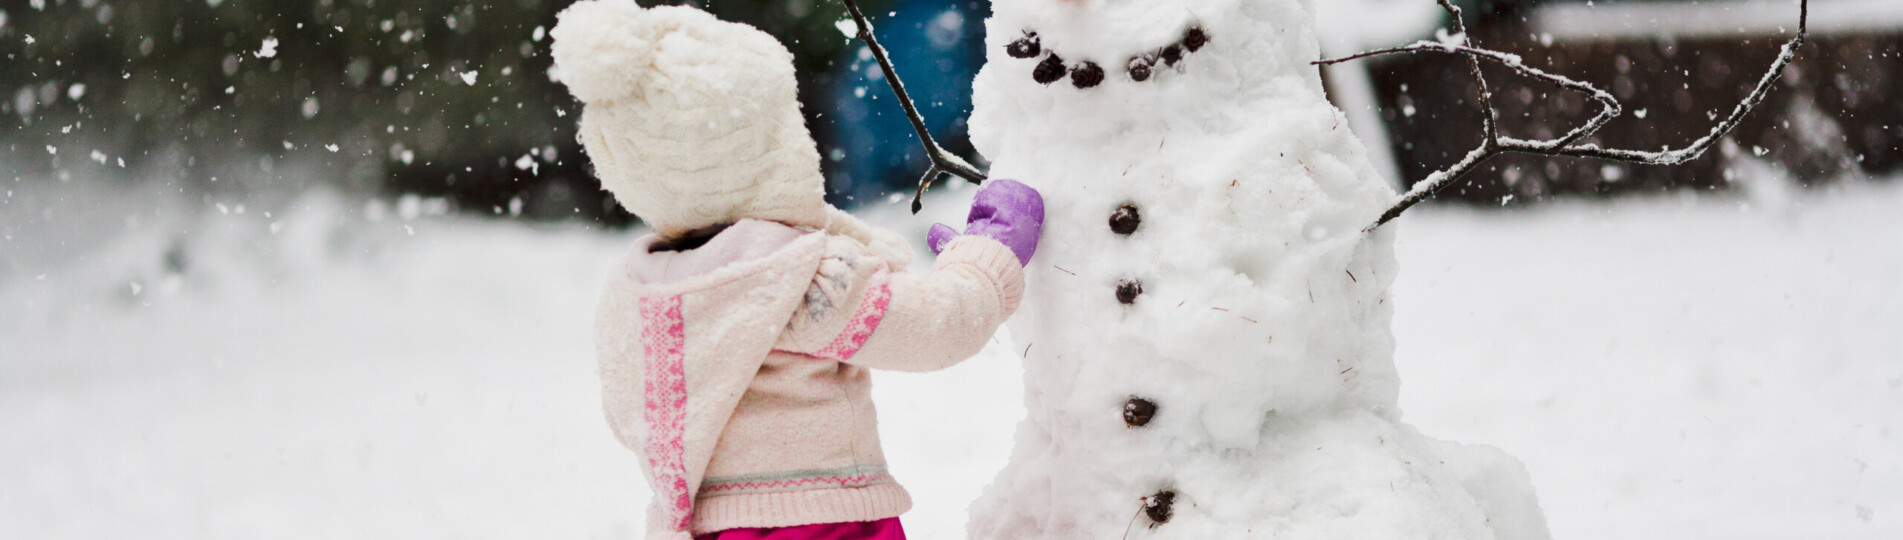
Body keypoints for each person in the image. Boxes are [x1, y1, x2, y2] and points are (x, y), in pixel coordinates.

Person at [550, 2, 1043, 539]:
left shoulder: (644, 292)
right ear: (769, 150)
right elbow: (938, 327)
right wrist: (987, 258)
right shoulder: (797, 277)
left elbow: (633, 417)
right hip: (820, 525)